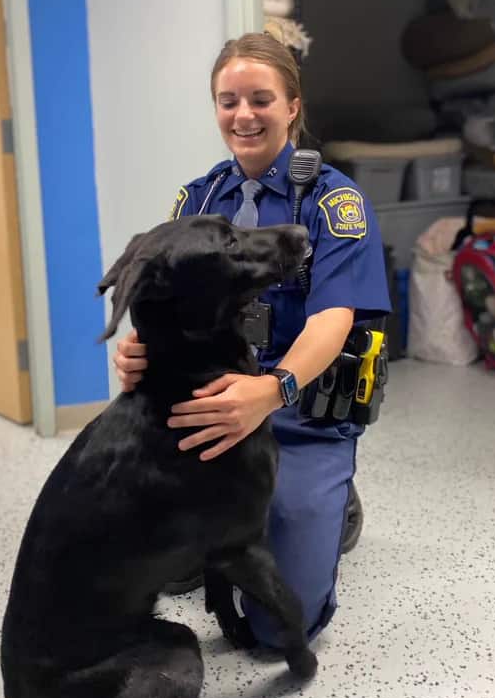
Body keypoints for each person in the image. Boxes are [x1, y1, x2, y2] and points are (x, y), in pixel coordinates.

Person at [114, 32, 390, 650]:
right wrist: (138, 350)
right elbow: (167, 295)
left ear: (292, 106)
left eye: (261, 99)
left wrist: (272, 390)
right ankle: (223, 521)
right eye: (227, 100)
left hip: (298, 408)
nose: (243, 115)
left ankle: (331, 502)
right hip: (214, 403)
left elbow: (332, 319)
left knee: (274, 627)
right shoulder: (198, 198)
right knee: (144, 536)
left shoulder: (334, 202)